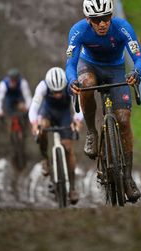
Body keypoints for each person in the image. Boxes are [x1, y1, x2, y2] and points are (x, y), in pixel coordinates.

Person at [66, 0, 141, 202]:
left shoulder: (122, 27)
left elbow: (139, 60)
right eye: (96, 20)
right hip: (89, 66)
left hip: (116, 69)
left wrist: (135, 74)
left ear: (111, 16)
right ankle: (92, 133)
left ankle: (128, 179)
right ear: (88, 20)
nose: (102, 24)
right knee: (86, 84)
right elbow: (70, 65)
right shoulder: (78, 31)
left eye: (106, 18)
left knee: (124, 120)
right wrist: (72, 80)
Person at [28, 67, 83, 205]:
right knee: (42, 129)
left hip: (64, 115)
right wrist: (34, 124)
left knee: (69, 149)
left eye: (60, 91)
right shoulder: (42, 86)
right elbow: (33, 108)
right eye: (54, 92)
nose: (58, 95)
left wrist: (77, 121)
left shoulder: (70, 86)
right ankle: (45, 159)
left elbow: (78, 107)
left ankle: (72, 188)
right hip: (47, 113)